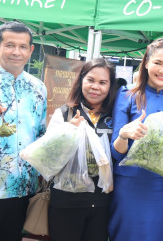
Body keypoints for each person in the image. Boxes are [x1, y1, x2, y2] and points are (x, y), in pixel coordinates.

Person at [108, 38, 163, 241]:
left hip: (160, 186)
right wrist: (125, 134)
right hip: (128, 184)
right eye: (158, 63)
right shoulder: (127, 96)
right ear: (146, 63)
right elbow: (117, 153)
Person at [47, 58, 116, 241]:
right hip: (66, 202)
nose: (95, 87)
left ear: (110, 86)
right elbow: (49, 158)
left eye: (103, 83)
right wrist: (68, 131)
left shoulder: (115, 117)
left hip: (101, 205)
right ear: (81, 81)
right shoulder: (64, 113)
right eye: (90, 80)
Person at [0, 21, 47, 241]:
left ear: (31, 50)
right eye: (9, 45)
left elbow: (40, 135)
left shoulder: (39, 88)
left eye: (22, 46)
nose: (16, 52)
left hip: (22, 187)